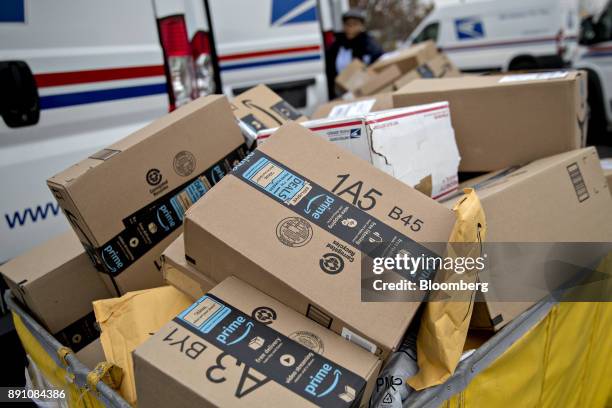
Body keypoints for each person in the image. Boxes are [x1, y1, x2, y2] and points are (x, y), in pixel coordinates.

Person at [326, 8, 384, 97]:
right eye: (348, 24)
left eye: (355, 24)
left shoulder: (369, 45)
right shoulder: (337, 46)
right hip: (340, 92)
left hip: (363, 91)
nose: (350, 28)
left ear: (361, 26)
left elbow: (377, 65)